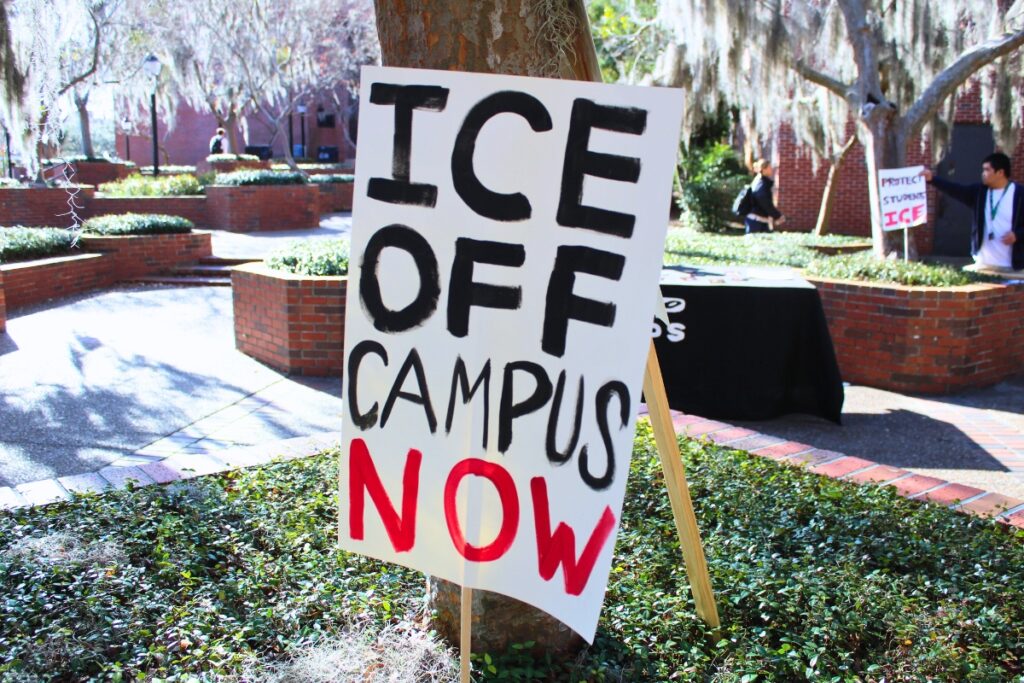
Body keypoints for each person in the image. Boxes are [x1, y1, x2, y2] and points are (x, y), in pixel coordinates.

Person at [921, 152, 1023, 271]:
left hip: (1013, 265)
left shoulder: (1019, 194)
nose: (983, 174)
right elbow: (955, 190)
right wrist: (932, 179)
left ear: (1000, 172)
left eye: (987, 170)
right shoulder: (979, 192)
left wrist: (1018, 234)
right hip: (983, 263)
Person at [744, 159, 784, 234]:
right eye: (769, 167)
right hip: (756, 222)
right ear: (764, 169)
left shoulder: (760, 181)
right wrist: (777, 215)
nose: (771, 169)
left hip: (760, 221)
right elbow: (764, 201)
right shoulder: (761, 183)